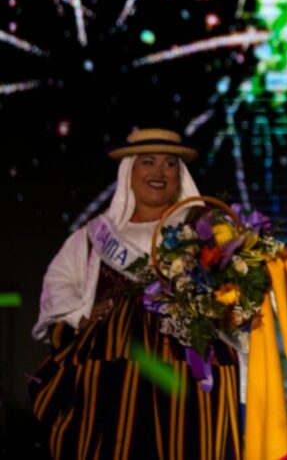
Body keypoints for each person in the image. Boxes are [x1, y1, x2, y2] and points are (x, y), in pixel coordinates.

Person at [30, 128, 243, 459]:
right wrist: (80, 314)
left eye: (169, 164)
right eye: (148, 162)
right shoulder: (95, 236)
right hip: (112, 374)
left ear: (179, 174)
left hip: (189, 375)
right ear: (129, 171)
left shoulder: (204, 230)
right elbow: (58, 284)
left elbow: (236, 291)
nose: (159, 172)